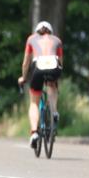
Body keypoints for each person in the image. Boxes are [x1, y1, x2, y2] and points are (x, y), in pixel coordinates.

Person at [18, 20, 63, 151]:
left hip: (38, 65)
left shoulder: (31, 39)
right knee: (52, 85)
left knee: (34, 102)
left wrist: (24, 78)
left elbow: (25, 63)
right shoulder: (57, 40)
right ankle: (54, 111)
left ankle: (34, 133)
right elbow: (61, 62)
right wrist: (56, 79)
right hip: (54, 64)